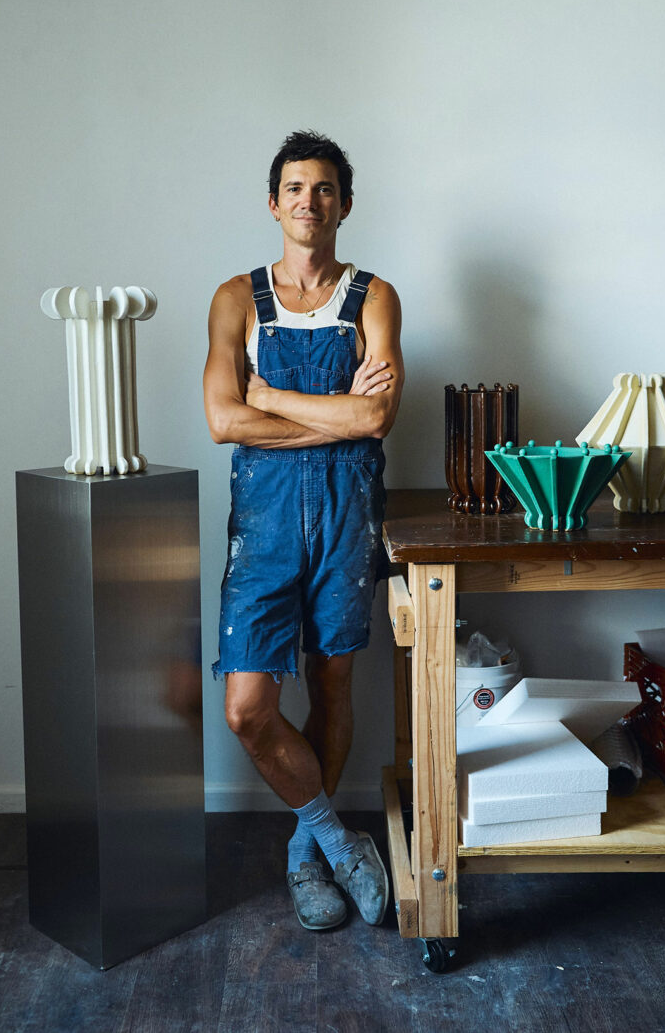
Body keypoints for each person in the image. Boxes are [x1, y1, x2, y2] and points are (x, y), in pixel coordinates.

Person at [203, 130, 403, 931]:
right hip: (265, 526)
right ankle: (334, 835)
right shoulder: (235, 299)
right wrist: (339, 420)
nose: (308, 201)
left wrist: (273, 398)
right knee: (248, 706)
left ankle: (301, 856)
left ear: (344, 204)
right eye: (294, 188)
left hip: (348, 516)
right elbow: (223, 419)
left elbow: (378, 415)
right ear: (275, 202)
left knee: (331, 683)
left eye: (324, 189)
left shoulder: (375, 297)